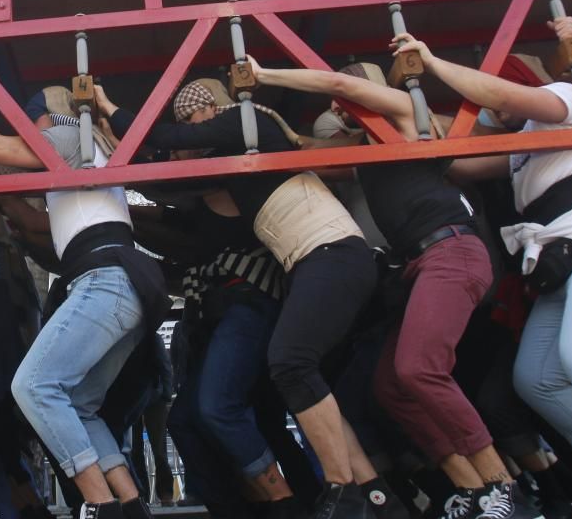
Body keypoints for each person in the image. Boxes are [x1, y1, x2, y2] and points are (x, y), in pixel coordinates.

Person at [393, 32, 572, 516]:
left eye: (495, 92)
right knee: (537, 378)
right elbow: (464, 166)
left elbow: (499, 96)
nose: (490, 110)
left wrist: (431, 62)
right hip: (563, 251)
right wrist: (405, 120)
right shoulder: (525, 145)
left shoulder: (567, 99)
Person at [94, 81, 380, 519]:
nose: (189, 135)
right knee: (242, 397)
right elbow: (163, 181)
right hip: (305, 266)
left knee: (283, 370)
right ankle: (362, 491)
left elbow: (168, 148)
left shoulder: (248, 122)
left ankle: (334, 494)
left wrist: (108, 105)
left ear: (210, 107)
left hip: (316, 259)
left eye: (190, 120)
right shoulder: (230, 167)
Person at [246, 59, 518, 518]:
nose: (336, 105)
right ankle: (470, 488)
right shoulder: (361, 148)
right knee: (390, 385)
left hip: (453, 250)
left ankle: (501, 483)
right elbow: (305, 147)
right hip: (419, 264)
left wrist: (263, 76)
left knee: (418, 368)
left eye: (345, 95)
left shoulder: (405, 115)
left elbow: (334, 81)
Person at [0, 87, 169, 519]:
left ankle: (99, 506)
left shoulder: (69, 136)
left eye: (32, 120)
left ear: (54, 115)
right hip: (121, 283)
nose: (29, 132)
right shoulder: (87, 155)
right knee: (80, 404)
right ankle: (130, 505)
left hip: (105, 280)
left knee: (34, 385)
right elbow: (33, 222)